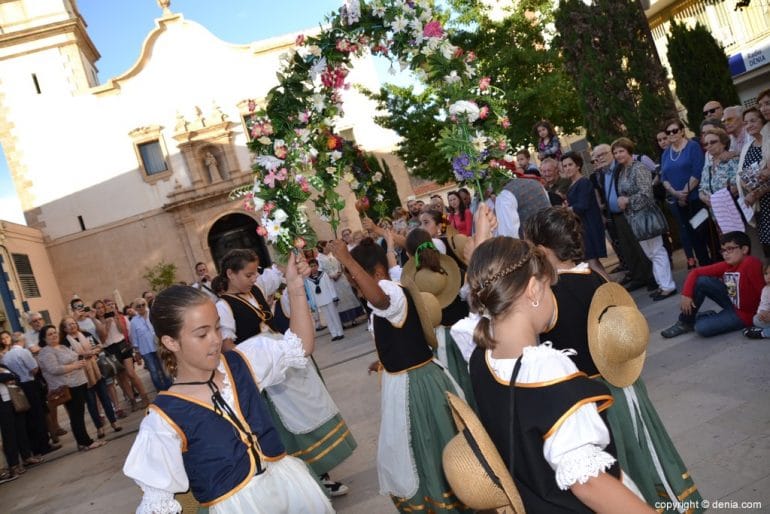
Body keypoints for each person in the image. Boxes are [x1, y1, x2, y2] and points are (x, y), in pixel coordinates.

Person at [523, 207, 704, 513]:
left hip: (591, 400)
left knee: (620, 465)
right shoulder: (595, 274)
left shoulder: (547, 295)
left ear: (541, 250)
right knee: (643, 451)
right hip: (622, 384)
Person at [461, 236, 653, 513]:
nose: (553, 295)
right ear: (533, 290)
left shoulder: (481, 357)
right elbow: (588, 483)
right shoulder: (547, 369)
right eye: (550, 287)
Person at [123, 281, 334, 513]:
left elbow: (301, 346)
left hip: (290, 488)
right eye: (202, 334)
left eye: (217, 328)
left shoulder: (242, 362)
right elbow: (157, 502)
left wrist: (294, 287)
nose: (215, 339)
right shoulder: (164, 419)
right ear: (170, 342)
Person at [328, 238, 471, 513]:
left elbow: (379, 299)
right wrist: (382, 360)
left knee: (428, 444)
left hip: (419, 386)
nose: (356, 286)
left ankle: (449, 500)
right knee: (416, 448)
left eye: (358, 279)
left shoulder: (390, 293)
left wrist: (347, 260)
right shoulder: (387, 300)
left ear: (378, 274)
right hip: (402, 381)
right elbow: (398, 334)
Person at [216, 248, 355, 496]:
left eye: (254, 273)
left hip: (283, 360)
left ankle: (321, 472)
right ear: (230, 273)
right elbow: (228, 348)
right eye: (247, 274)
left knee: (307, 414)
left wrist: (292, 253)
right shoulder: (223, 306)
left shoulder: (256, 288)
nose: (252, 279)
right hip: (264, 373)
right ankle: (308, 482)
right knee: (287, 430)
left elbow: (282, 270)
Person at [662, 231, 763, 338]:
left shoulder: (750, 263)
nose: (725, 253)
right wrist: (686, 294)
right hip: (733, 303)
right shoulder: (727, 264)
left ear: (744, 249)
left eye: (730, 249)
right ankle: (685, 322)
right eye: (723, 250)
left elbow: (763, 291)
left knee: (701, 327)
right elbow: (695, 272)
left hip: (746, 314)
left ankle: (705, 317)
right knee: (702, 281)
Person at [614, 138, 677, 301]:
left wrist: (627, 200)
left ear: (628, 150)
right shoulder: (622, 171)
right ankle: (662, 284)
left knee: (657, 250)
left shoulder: (639, 168)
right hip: (634, 218)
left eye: (621, 151)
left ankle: (668, 286)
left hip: (647, 215)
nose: (618, 155)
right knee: (650, 252)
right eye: (615, 152)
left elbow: (646, 194)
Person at [37, 324, 106, 452]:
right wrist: (74, 366)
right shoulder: (46, 352)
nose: (54, 335)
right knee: (76, 416)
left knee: (78, 414)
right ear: (44, 338)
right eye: (50, 334)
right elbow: (54, 369)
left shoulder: (62, 346)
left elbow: (76, 356)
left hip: (78, 382)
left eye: (54, 332)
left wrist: (82, 358)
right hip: (67, 386)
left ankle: (83, 441)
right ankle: (85, 442)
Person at [660, 118, 711, 269]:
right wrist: (676, 194)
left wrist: (685, 192)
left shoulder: (692, 147)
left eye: (675, 130)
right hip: (680, 203)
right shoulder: (666, 153)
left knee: (705, 232)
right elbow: (664, 177)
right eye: (668, 132)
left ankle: (716, 264)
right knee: (692, 235)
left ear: (682, 131)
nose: (671, 134)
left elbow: (697, 171)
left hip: (696, 200)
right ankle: (705, 267)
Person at [59, 317, 122, 438]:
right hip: (81, 375)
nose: (72, 326)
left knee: (105, 398)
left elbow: (99, 346)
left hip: (96, 370)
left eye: (74, 323)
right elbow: (66, 358)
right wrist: (82, 355)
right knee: (91, 403)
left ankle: (114, 422)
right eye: (69, 325)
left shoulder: (86, 334)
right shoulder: (64, 343)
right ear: (64, 329)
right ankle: (99, 428)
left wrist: (94, 351)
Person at [1, 333, 61, 455]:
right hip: (29, 384)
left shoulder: (6, 356)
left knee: (28, 418)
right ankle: (44, 445)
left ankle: (34, 447)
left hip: (17, 387)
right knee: (38, 415)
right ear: (22, 340)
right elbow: (34, 369)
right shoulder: (23, 352)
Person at [560, 151, 609, 280]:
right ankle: (610, 290)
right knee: (591, 263)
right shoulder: (573, 184)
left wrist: (566, 209)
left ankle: (612, 291)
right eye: (564, 166)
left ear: (578, 165)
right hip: (582, 227)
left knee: (592, 263)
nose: (567, 168)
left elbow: (582, 206)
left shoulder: (583, 182)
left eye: (570, 164)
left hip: (589, 226)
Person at [96, 299, 150, 412]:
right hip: (109, 348)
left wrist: (116, 318)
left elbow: (122, 330)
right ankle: (132, 401)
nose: (101, 310)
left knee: (131, 372)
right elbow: (103, 339)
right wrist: (107, 324)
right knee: (122, 377)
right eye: (98, 308)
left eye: (102, 307)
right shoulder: (97, 322)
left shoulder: (113, 316)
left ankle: (145, 397)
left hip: (122, 345)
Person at [737, 107, 770, 257]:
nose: (749, 125)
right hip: (760, 206)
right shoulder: (747, 148)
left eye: (753, 120)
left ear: (762, 120)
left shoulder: (768, 142)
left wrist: (755, 193)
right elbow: (741, 174)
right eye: (746, 123)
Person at [0, 363, 43, 477]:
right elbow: (8, 377)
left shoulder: (3, 365)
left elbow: (17, 376)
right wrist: (8, 378)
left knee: (21, 430)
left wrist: (10, 378)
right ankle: (14, 464)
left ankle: (27, 457)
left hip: (15, 400)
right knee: (9, 435)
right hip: (3, 405)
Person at [698, 128, 739, 224]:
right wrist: (703, 198)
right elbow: (701, 189)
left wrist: (716, 199)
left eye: (713, 142)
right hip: (718, 217)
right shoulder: (707, 167)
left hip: (735, 212)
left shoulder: (733, 161)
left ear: (724, 143)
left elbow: (737, 185)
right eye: (706, 144)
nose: (709, 146)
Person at [129, 298, 171, 391]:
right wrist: (137, 351)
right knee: (153, 371)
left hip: (158, 346)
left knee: (164, 368)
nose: (141, 307)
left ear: (146, 305)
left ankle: (170, 388)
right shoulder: (134, 321)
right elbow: (134, 338)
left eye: (143, 304)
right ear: (135, 308)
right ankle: (161, 391)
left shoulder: (152, 315)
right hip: (145, 350)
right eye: (138, 306)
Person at [494, 168, 550, 238]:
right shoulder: (535, 183)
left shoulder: (504, 195)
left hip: (530, 245)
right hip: (551, 236)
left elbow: (508, 236)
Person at [305, 259, 344, 341]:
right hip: (320, 300)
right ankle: (334, 334)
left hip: (329, 298)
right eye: (311, 266)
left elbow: (330, 286)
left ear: (318, 266)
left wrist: (334, 297)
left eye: (314, 266)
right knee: (328, 318)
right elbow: (311, 293)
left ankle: (340, 333)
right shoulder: (308, 279)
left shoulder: (323, 274)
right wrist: (313, 304)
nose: (313, 268)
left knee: (334, 316)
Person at [743, 261, 770, 339]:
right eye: (766, 274)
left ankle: (763, 333)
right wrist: (762, 314)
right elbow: (763, 304)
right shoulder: (766, 290)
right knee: (756, 319)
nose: (768, 276)